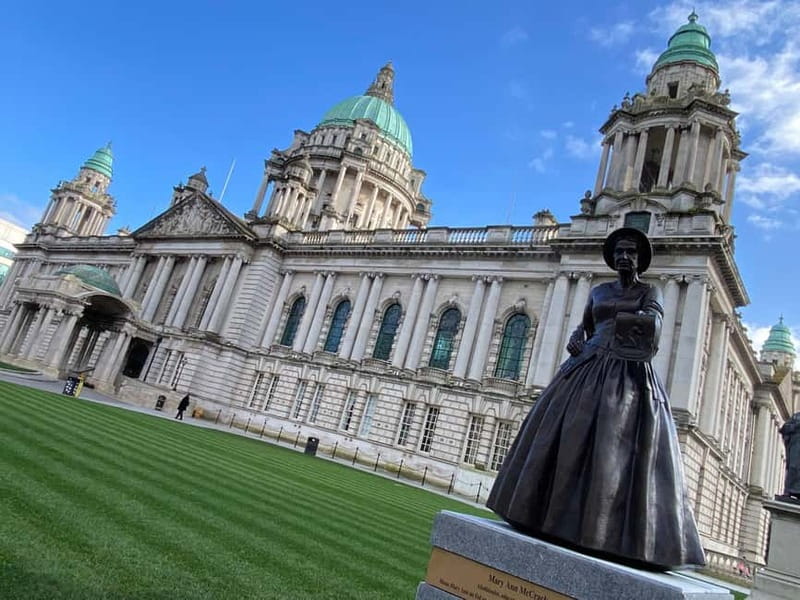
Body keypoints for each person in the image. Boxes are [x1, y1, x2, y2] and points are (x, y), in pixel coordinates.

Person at [487, 227, 705, 571]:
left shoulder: (652, 292)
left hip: (626, 374)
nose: (624, 257)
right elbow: (585, 326)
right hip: (585, 365)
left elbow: (653, 330)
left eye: (631, 252)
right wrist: (577, 337)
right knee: (562, 435)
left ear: (640, 259)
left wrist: (628, 326)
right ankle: (543, 512)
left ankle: (605, 531)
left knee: (612, 449)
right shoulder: (598, 290)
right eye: (619, 251)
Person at [777, 412, 800, 503]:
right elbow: (784, 428)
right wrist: (795, 426)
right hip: (796, 445)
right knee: (793, 467)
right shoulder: (797, 416)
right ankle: (789, 491)